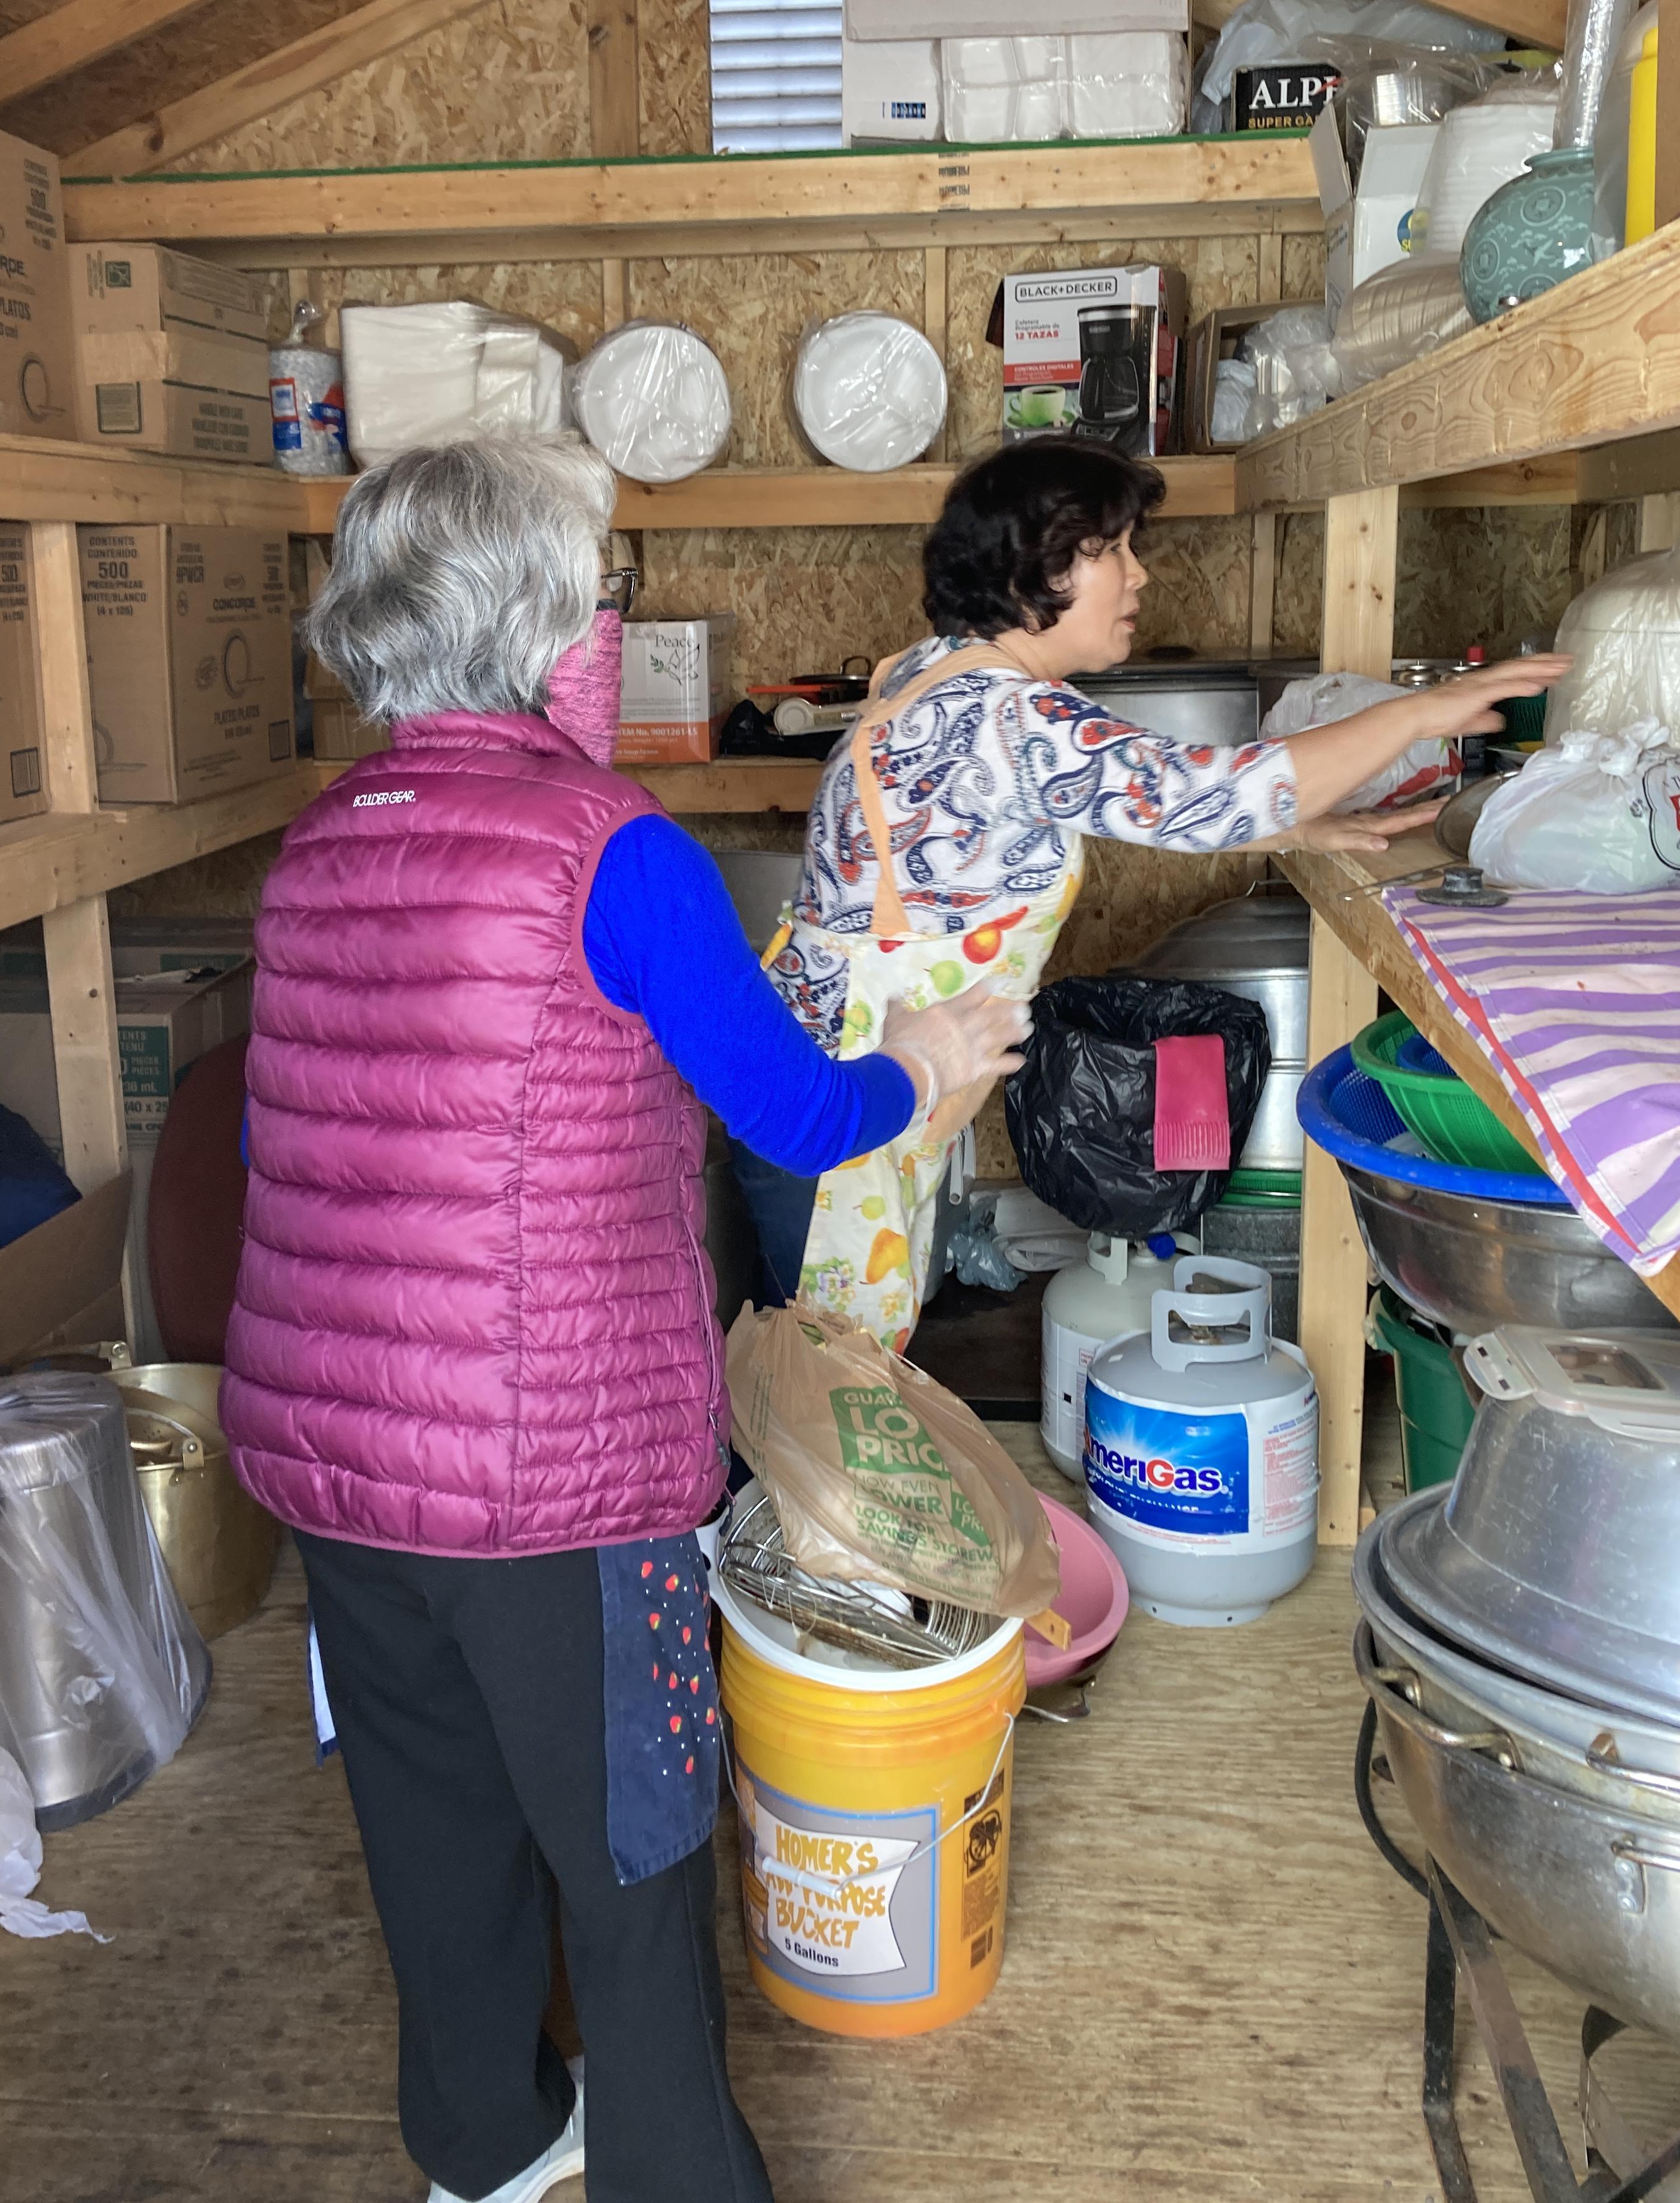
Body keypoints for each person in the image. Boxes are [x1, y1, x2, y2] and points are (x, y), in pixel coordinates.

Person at [221, 437, 1026, 2203]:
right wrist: (929, 1063)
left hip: (331, 1461)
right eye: (602, 582)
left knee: (432, 1828)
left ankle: (487, 2145)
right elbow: (794, 1116)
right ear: (543, 613)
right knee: (634, 1853)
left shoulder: (318, 847)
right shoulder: (615, 850)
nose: (611, 612)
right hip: (552, 1476)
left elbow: (297, 1153)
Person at [734, 439, 1571, 1343]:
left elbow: (1072, 808)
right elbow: (1204, 796)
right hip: (843, 1103)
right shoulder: (1009, 716)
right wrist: (1418, 711)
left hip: (836, 1079)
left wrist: (1294, 829)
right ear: (1030, 569)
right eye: (1111, 550)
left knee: (829, 1371)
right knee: (825, 1379)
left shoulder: (938, 674)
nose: (1140, 575)